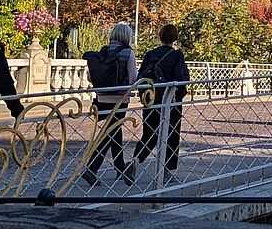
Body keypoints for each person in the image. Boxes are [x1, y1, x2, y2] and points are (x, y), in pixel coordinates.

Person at [81, 22, 138, 186]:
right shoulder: (128, 53)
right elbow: (133, 78)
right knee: (110, 133)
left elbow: (91, 78)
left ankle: (120, 168)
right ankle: (91, 169)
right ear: (127, 36)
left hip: (102, 98)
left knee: (114, 131)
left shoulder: (103, 52)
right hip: (119, 99)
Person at [133, 23, 190, 174]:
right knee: (172, 135)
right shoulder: (177, 55)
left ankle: (135, 161)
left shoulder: (150, 54)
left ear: (160, 37)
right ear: (175, 38)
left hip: (151, 100)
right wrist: (180, 95)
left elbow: (141, 79)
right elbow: (181, 78)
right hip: (170, 102)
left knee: (149, 134)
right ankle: (168, 170)